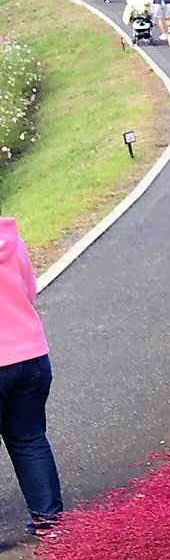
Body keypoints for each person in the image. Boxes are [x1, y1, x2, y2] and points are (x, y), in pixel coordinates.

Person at [0, 216, 62, 536]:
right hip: (31, 356)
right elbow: (29, 292)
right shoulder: (11, 240)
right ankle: (49, 521)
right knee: (30, 438)